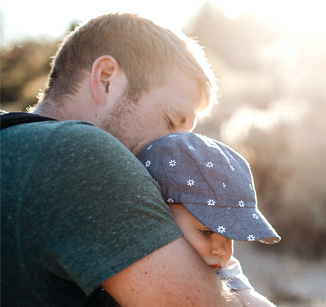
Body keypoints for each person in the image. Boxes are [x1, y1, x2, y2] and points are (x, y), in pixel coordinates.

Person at [1, 12, 247, 306]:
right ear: (106, 78)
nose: (180, 148)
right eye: (171, 120)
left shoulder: (13, 141)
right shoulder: (84, 155)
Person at [137, 132, 281, 306]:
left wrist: (246, 294)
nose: (221, 251)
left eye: (229, 237)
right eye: (206, 232)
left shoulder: (218, 267)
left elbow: (237, 281)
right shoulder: (136, 262)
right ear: (160, 211)